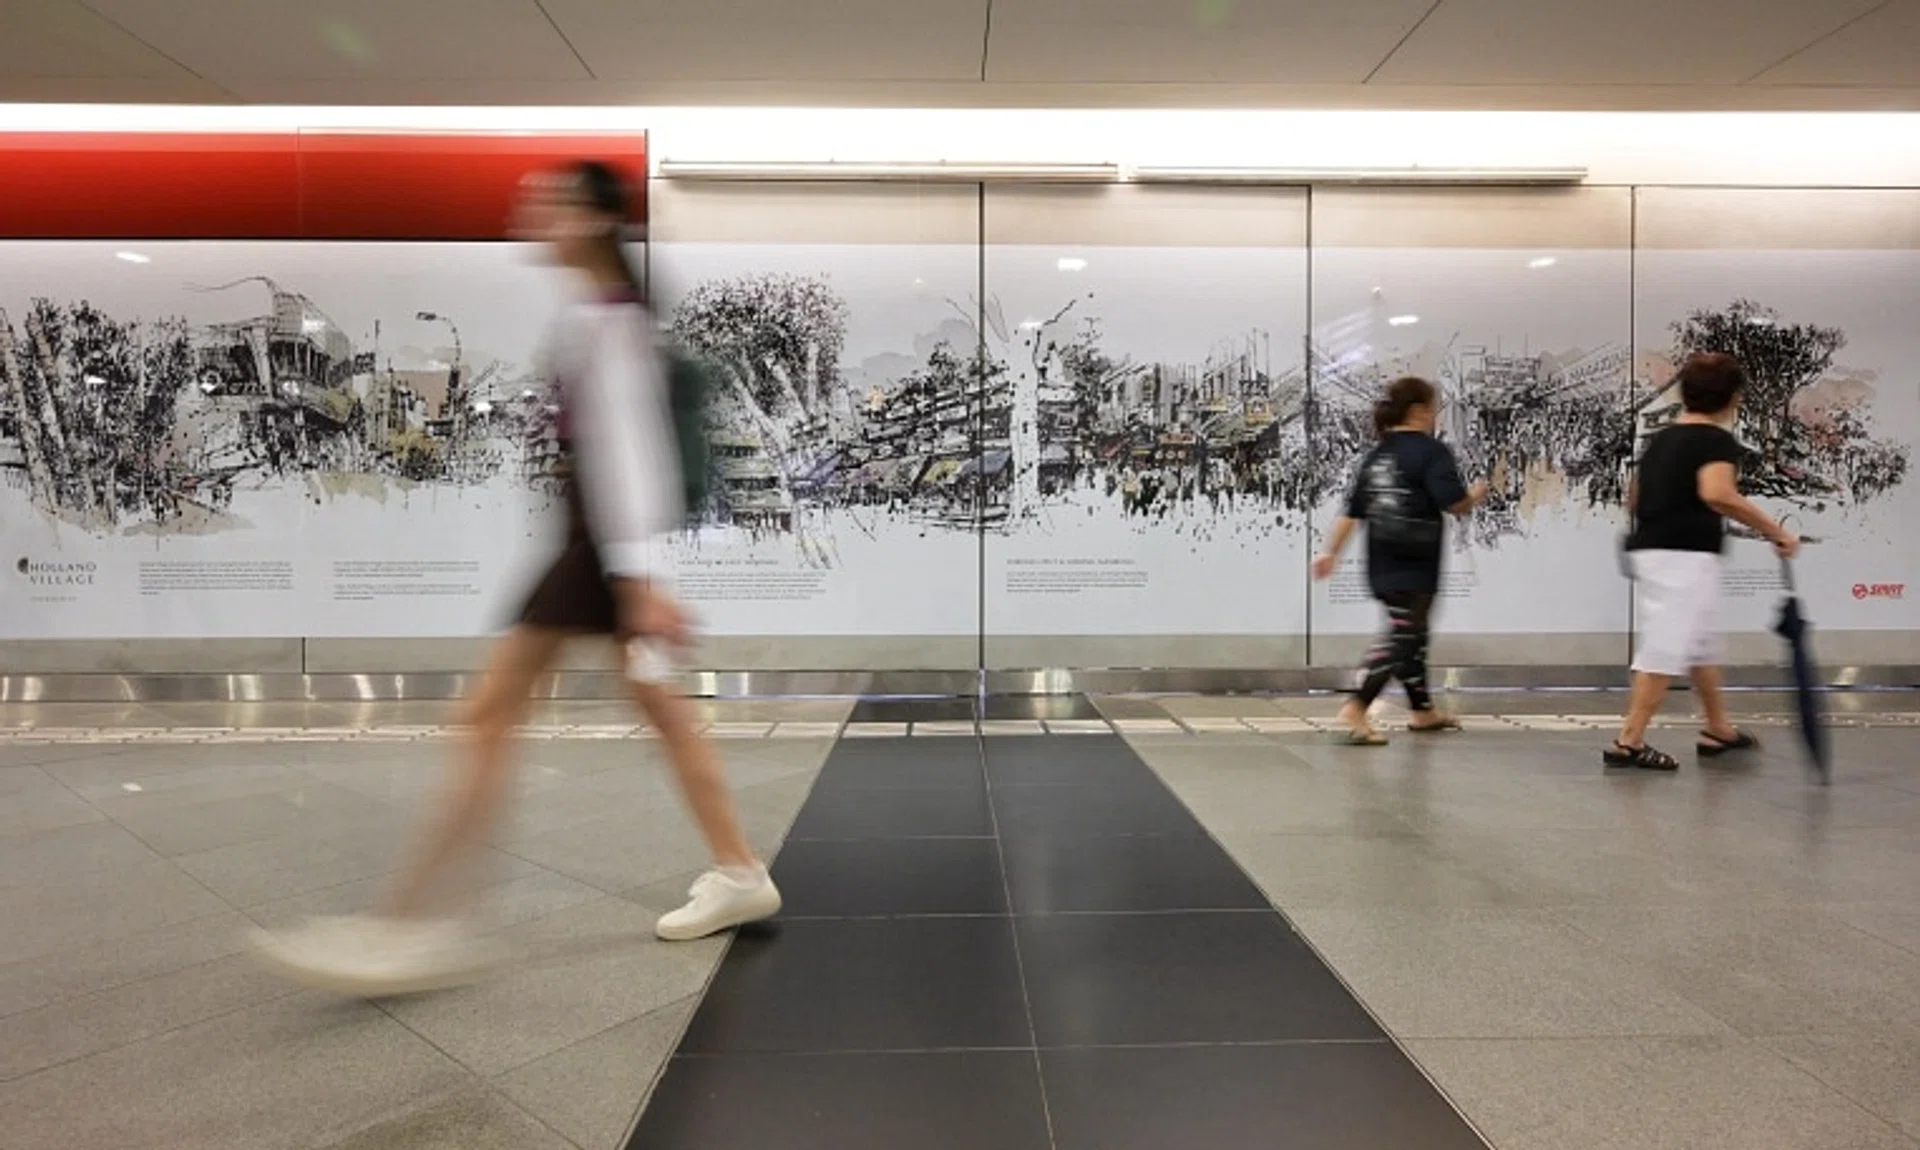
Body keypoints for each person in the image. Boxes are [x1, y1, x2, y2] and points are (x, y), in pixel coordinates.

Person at [249, 161, 780, 996]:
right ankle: (740, 870)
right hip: (602, 555)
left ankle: (409, 927)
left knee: (490, 716)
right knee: (645, 712)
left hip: (601, 556)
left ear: (596, 219)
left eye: (552, 202)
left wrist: (640, 580)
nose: (532, 212)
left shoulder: (610, 323)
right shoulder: (599, 316)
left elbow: (630, 456)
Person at [1606, 352, 1798, 771]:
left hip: (1663, 550)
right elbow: (1717, 493)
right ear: (1733, 399)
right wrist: (1776, 531)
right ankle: (1629, 741)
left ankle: (1717, 729)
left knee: (1701, 643)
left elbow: (1633, 496)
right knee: (1665, 645)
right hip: (1682, 556)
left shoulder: (1663, 439)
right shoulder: (1715, 441)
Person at [1312, 376, 1487, 745]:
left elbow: (1353, 511)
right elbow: (1453, 502)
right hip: (1416, 559)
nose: (1435, 416)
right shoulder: (1430, 452)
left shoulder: (1377, 455)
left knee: (1413, 635)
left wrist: (1330, 551)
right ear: (1419, 411)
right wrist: (1475, 494)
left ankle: (1422, 711)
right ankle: (1358, 705)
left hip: (1382, 559)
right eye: (1432, 408)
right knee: (1404, 635)